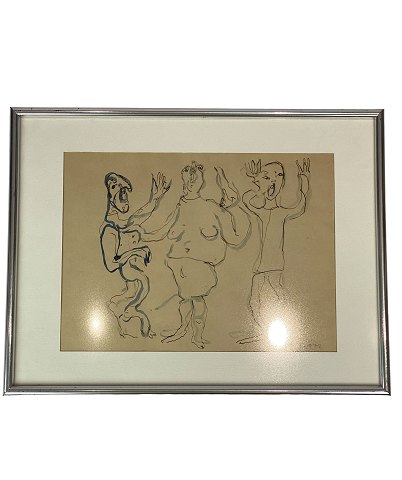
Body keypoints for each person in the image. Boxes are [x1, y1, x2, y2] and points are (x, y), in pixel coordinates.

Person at [161, 161, 251, 349]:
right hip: (179, 265)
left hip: (200, 266)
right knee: (186, 298)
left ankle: (197, 336)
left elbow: (235, 238)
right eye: (188, 179)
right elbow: (162, 230)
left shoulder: (212, 208)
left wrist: (235, 207)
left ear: (201, 182)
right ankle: (183, 330)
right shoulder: (179, 207)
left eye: (194, 178)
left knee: (197, 299)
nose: (190, 183)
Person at [238, 158, 311, 344]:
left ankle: (289, 329)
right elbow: (246, 199)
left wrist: (304, 179)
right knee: (255, 301)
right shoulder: (262, 211)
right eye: (267, 177)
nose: (273, 181)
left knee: (279, 297)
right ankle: (263, 331)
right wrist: (259, 186)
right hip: (261, 266)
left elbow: (301, 205)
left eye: (278, 176)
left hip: (274, 265)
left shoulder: (281, 212)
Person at [100, 171, 177, 339]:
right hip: (129, 272)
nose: (126, 203)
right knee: (143, 283)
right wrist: (135, 252)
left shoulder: (126, 224)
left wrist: (156, 198)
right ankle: (131, 315)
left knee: (134, 292)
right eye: (118, 190)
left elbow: (144, 212)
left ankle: (130, 317)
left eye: (125, 195)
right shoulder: (110, 231)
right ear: (112, 200)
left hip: (132, 279)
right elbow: (111, 265)